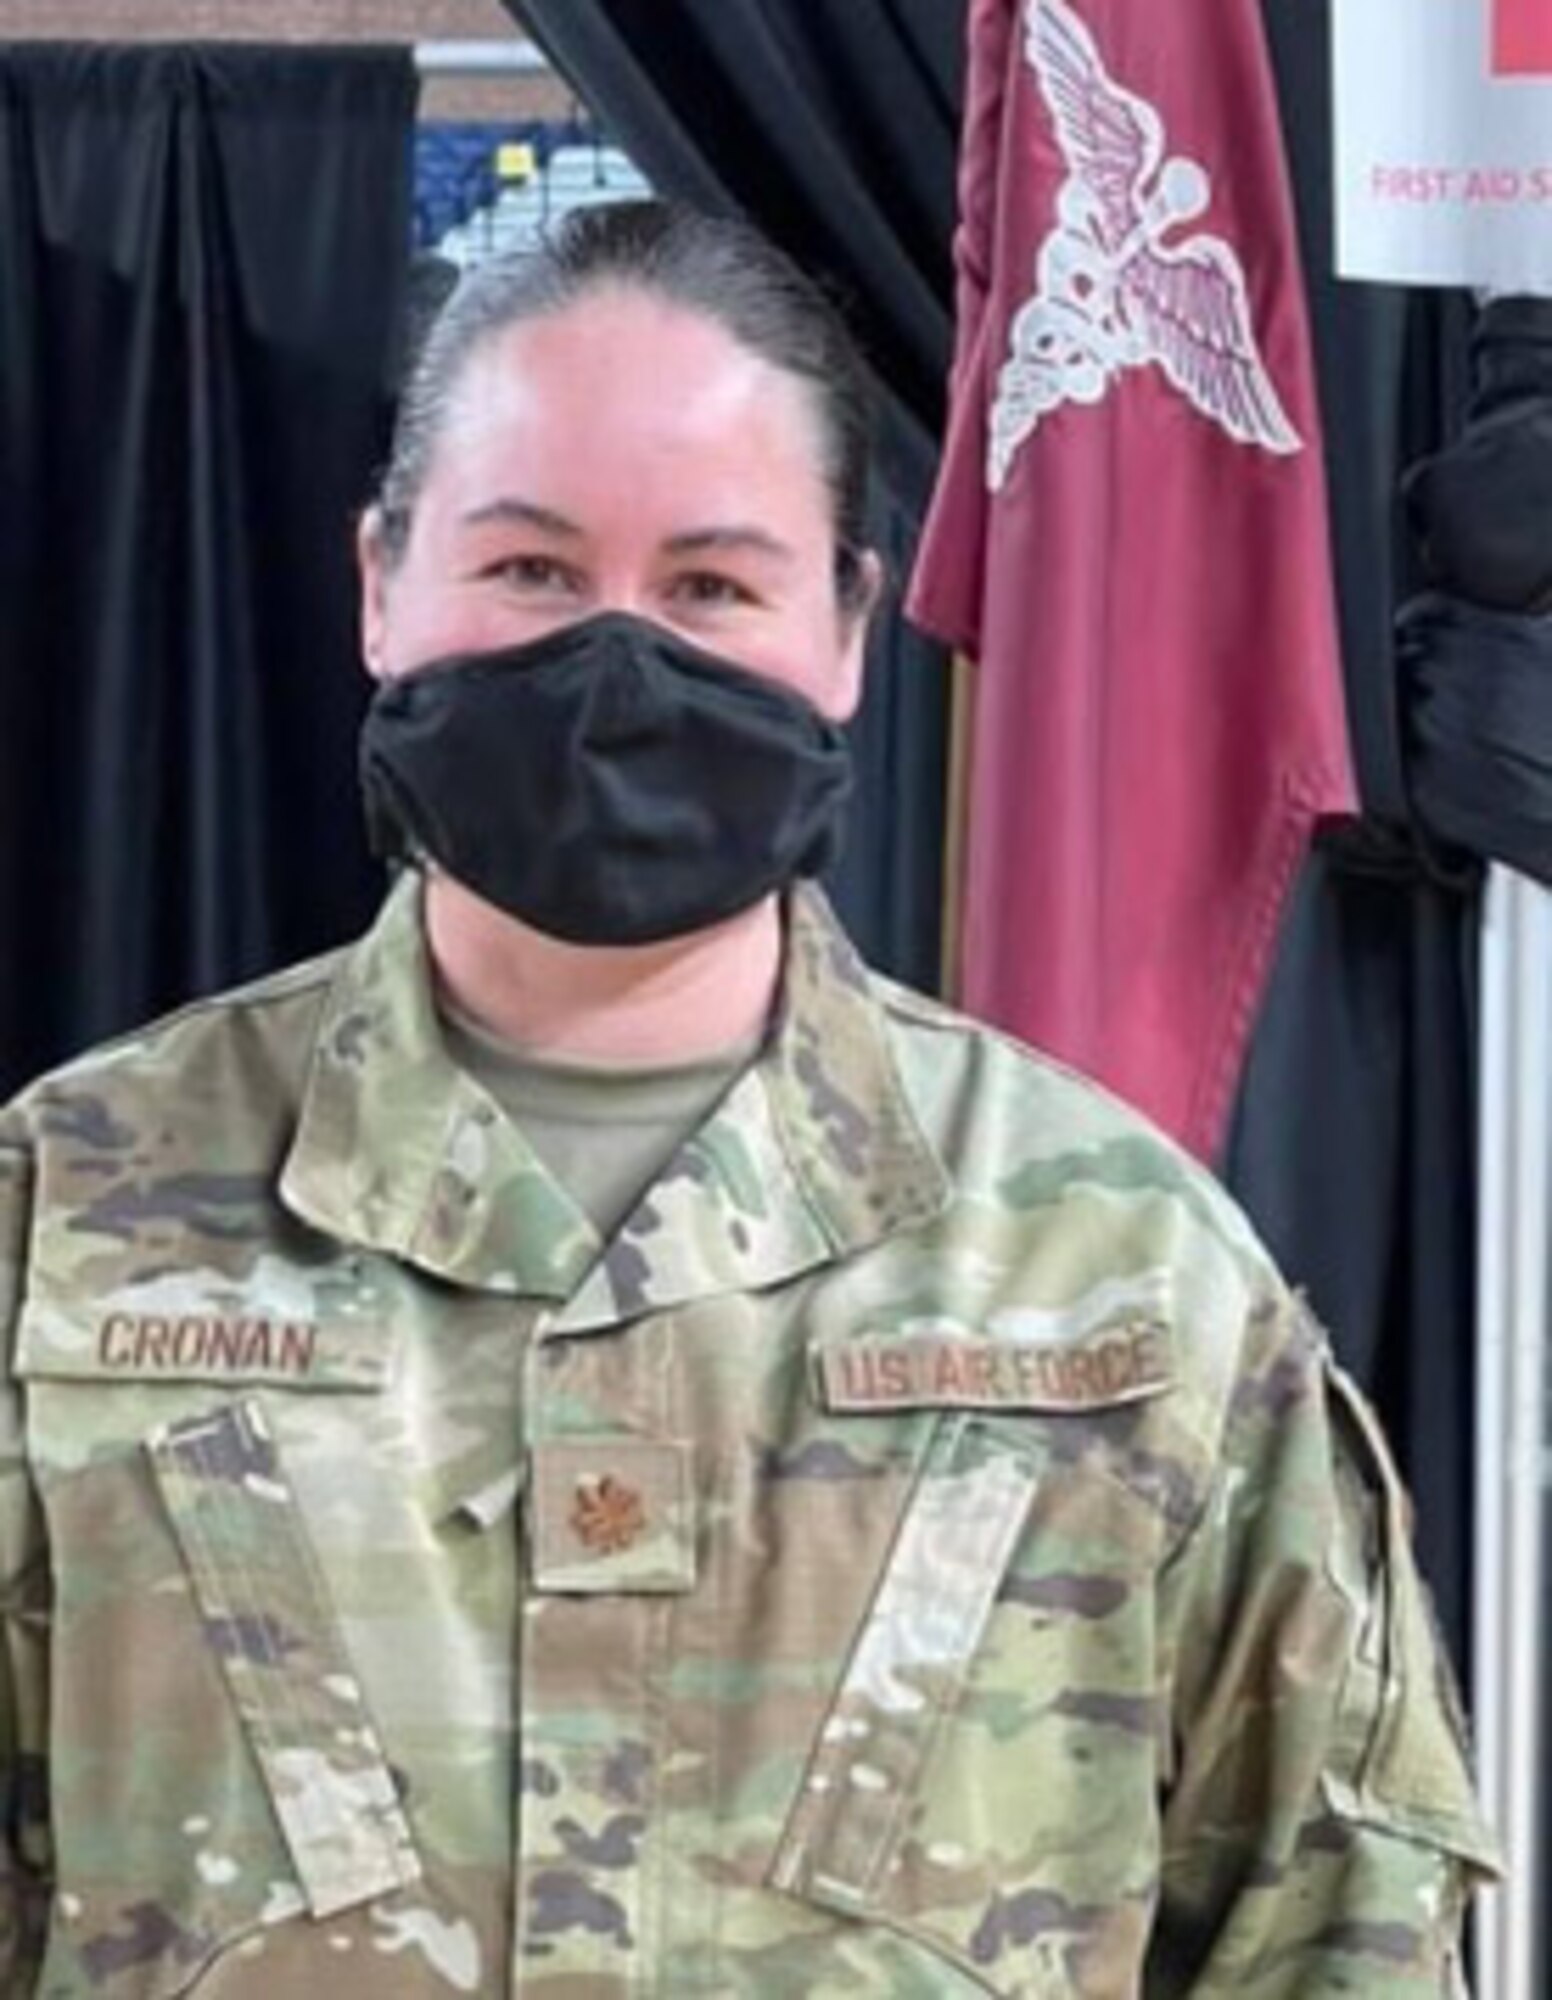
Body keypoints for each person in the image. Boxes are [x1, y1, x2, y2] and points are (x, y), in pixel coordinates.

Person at [0, 200, 1497, 1998]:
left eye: (711, 585)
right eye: (532, 572)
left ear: (851, 629)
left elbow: (1344, 1932)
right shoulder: (69, 1214)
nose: (617, 663)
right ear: (381, 582)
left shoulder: (1124, 1274)